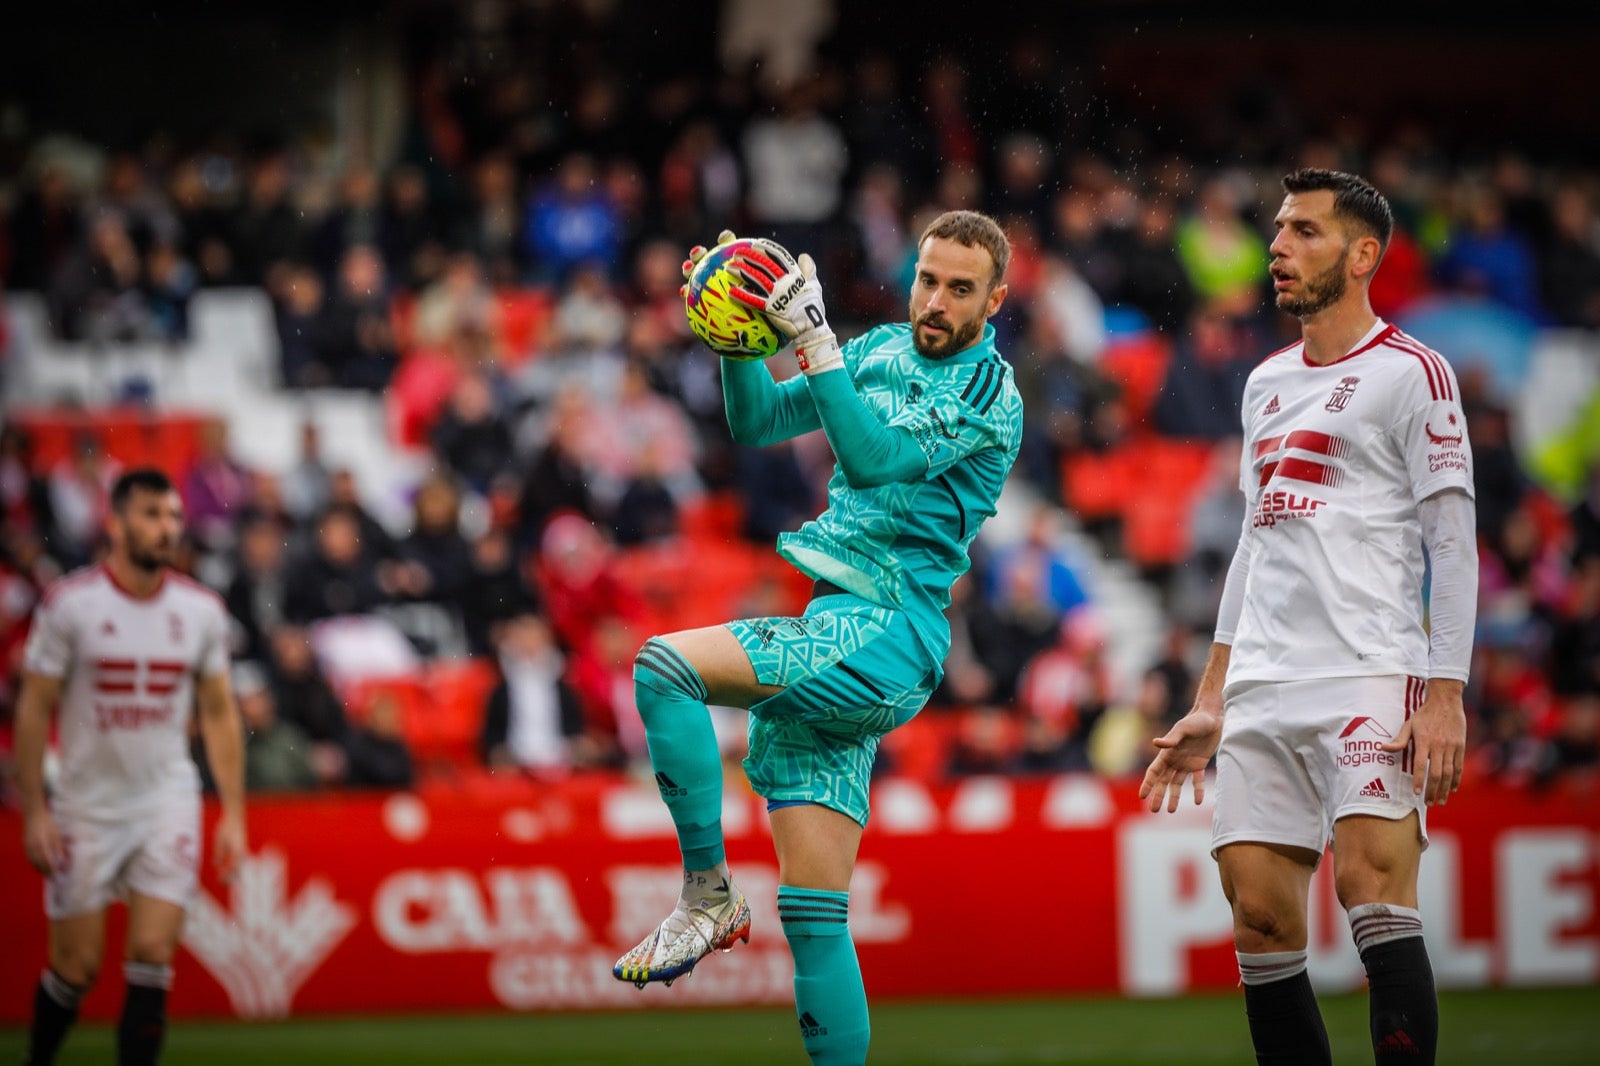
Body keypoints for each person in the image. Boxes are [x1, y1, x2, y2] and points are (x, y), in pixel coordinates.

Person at [612, 212, 1021, 1066]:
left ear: (996, 299)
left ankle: (707, 895)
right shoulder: (876, 349)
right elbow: (758, 423)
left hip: (888, 632)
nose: (934, 302)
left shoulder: (990, 393)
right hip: (829, 625)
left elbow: (872, 460)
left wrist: (816, 338)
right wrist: (733, 332)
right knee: (815, 916)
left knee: (664, 668)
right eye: (926, 279)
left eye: (958, 288)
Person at [1139, 169, 1478, 1066]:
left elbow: (1454, 544)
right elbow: (1256, 541)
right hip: (1261, 684)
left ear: (1364, 255)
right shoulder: (1265, 382)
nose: (1277, 248)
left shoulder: (1415, 373)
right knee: (1257, 916)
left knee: (1372, 893)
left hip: (1369, 667)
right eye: (1278, 231)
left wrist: (1444, 695)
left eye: (1304, 232)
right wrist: (1213, 696)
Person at [14, 468, 247, 1066]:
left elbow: (219, 713)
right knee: (77, 966)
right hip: (85, 803)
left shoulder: (201, 611)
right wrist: (36, 809)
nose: (167, 528)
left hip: (166, 798)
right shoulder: (72, 605)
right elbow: (35, 707)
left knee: (152, 951)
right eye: (151, 515)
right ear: (115, 524)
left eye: (172, 516)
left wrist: (234, 814)